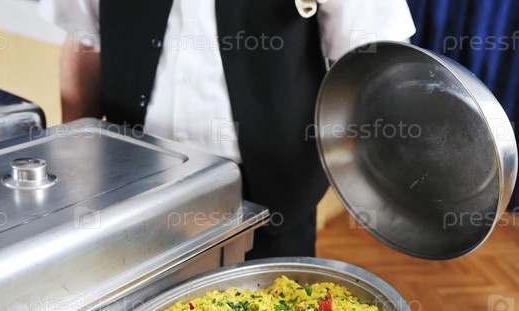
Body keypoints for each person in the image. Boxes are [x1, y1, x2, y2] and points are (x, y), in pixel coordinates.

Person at [39, 0, 415, 259]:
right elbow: (84, 40)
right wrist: (79, 165)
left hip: (268, 198)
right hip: (131, 189)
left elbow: (369, 61)